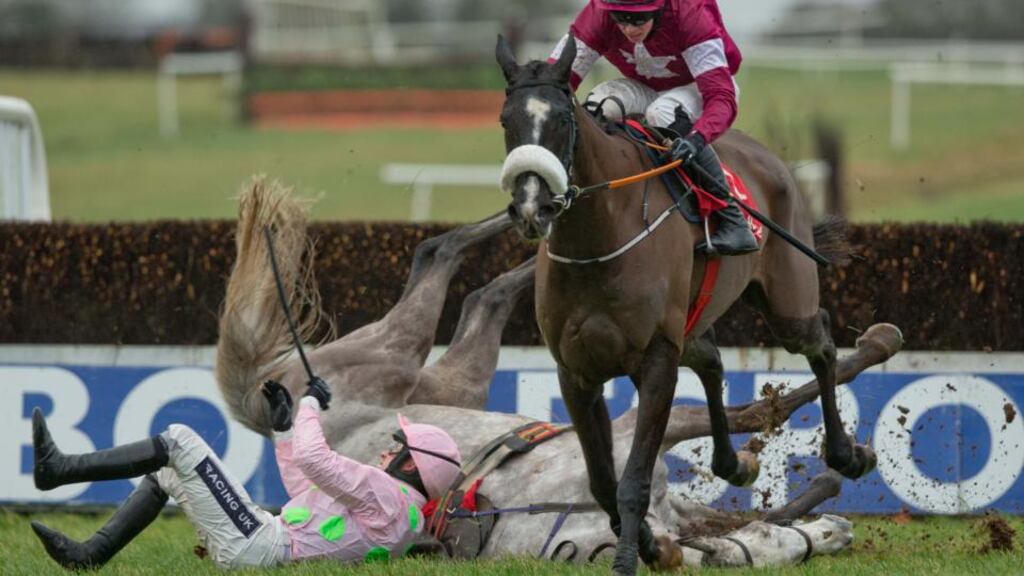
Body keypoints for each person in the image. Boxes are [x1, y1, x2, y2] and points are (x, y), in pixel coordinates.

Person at [28, 377, 462, 570]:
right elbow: (306, 488)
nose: (388, 450)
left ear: (411, 464)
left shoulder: (385, 493)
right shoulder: (404, 514)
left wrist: (311, 402)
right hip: (263, 547)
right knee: (168, 474)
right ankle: (88, 556)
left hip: (260, 543)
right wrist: (285, 429)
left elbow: (316, 459)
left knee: (178, 439)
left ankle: (60, 469)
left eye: (397, 447)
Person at [550, 0, 758, 255]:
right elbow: (555, 78)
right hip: (647, 88)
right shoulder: (598, 14)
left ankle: (732, 217)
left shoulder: (690, 14)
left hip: (701, 88)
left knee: (662, 113)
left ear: (659, 9)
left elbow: (720, 96)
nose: (628, 29)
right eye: (620, 18)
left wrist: (697, 139)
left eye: (638, 19)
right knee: (596, 106)